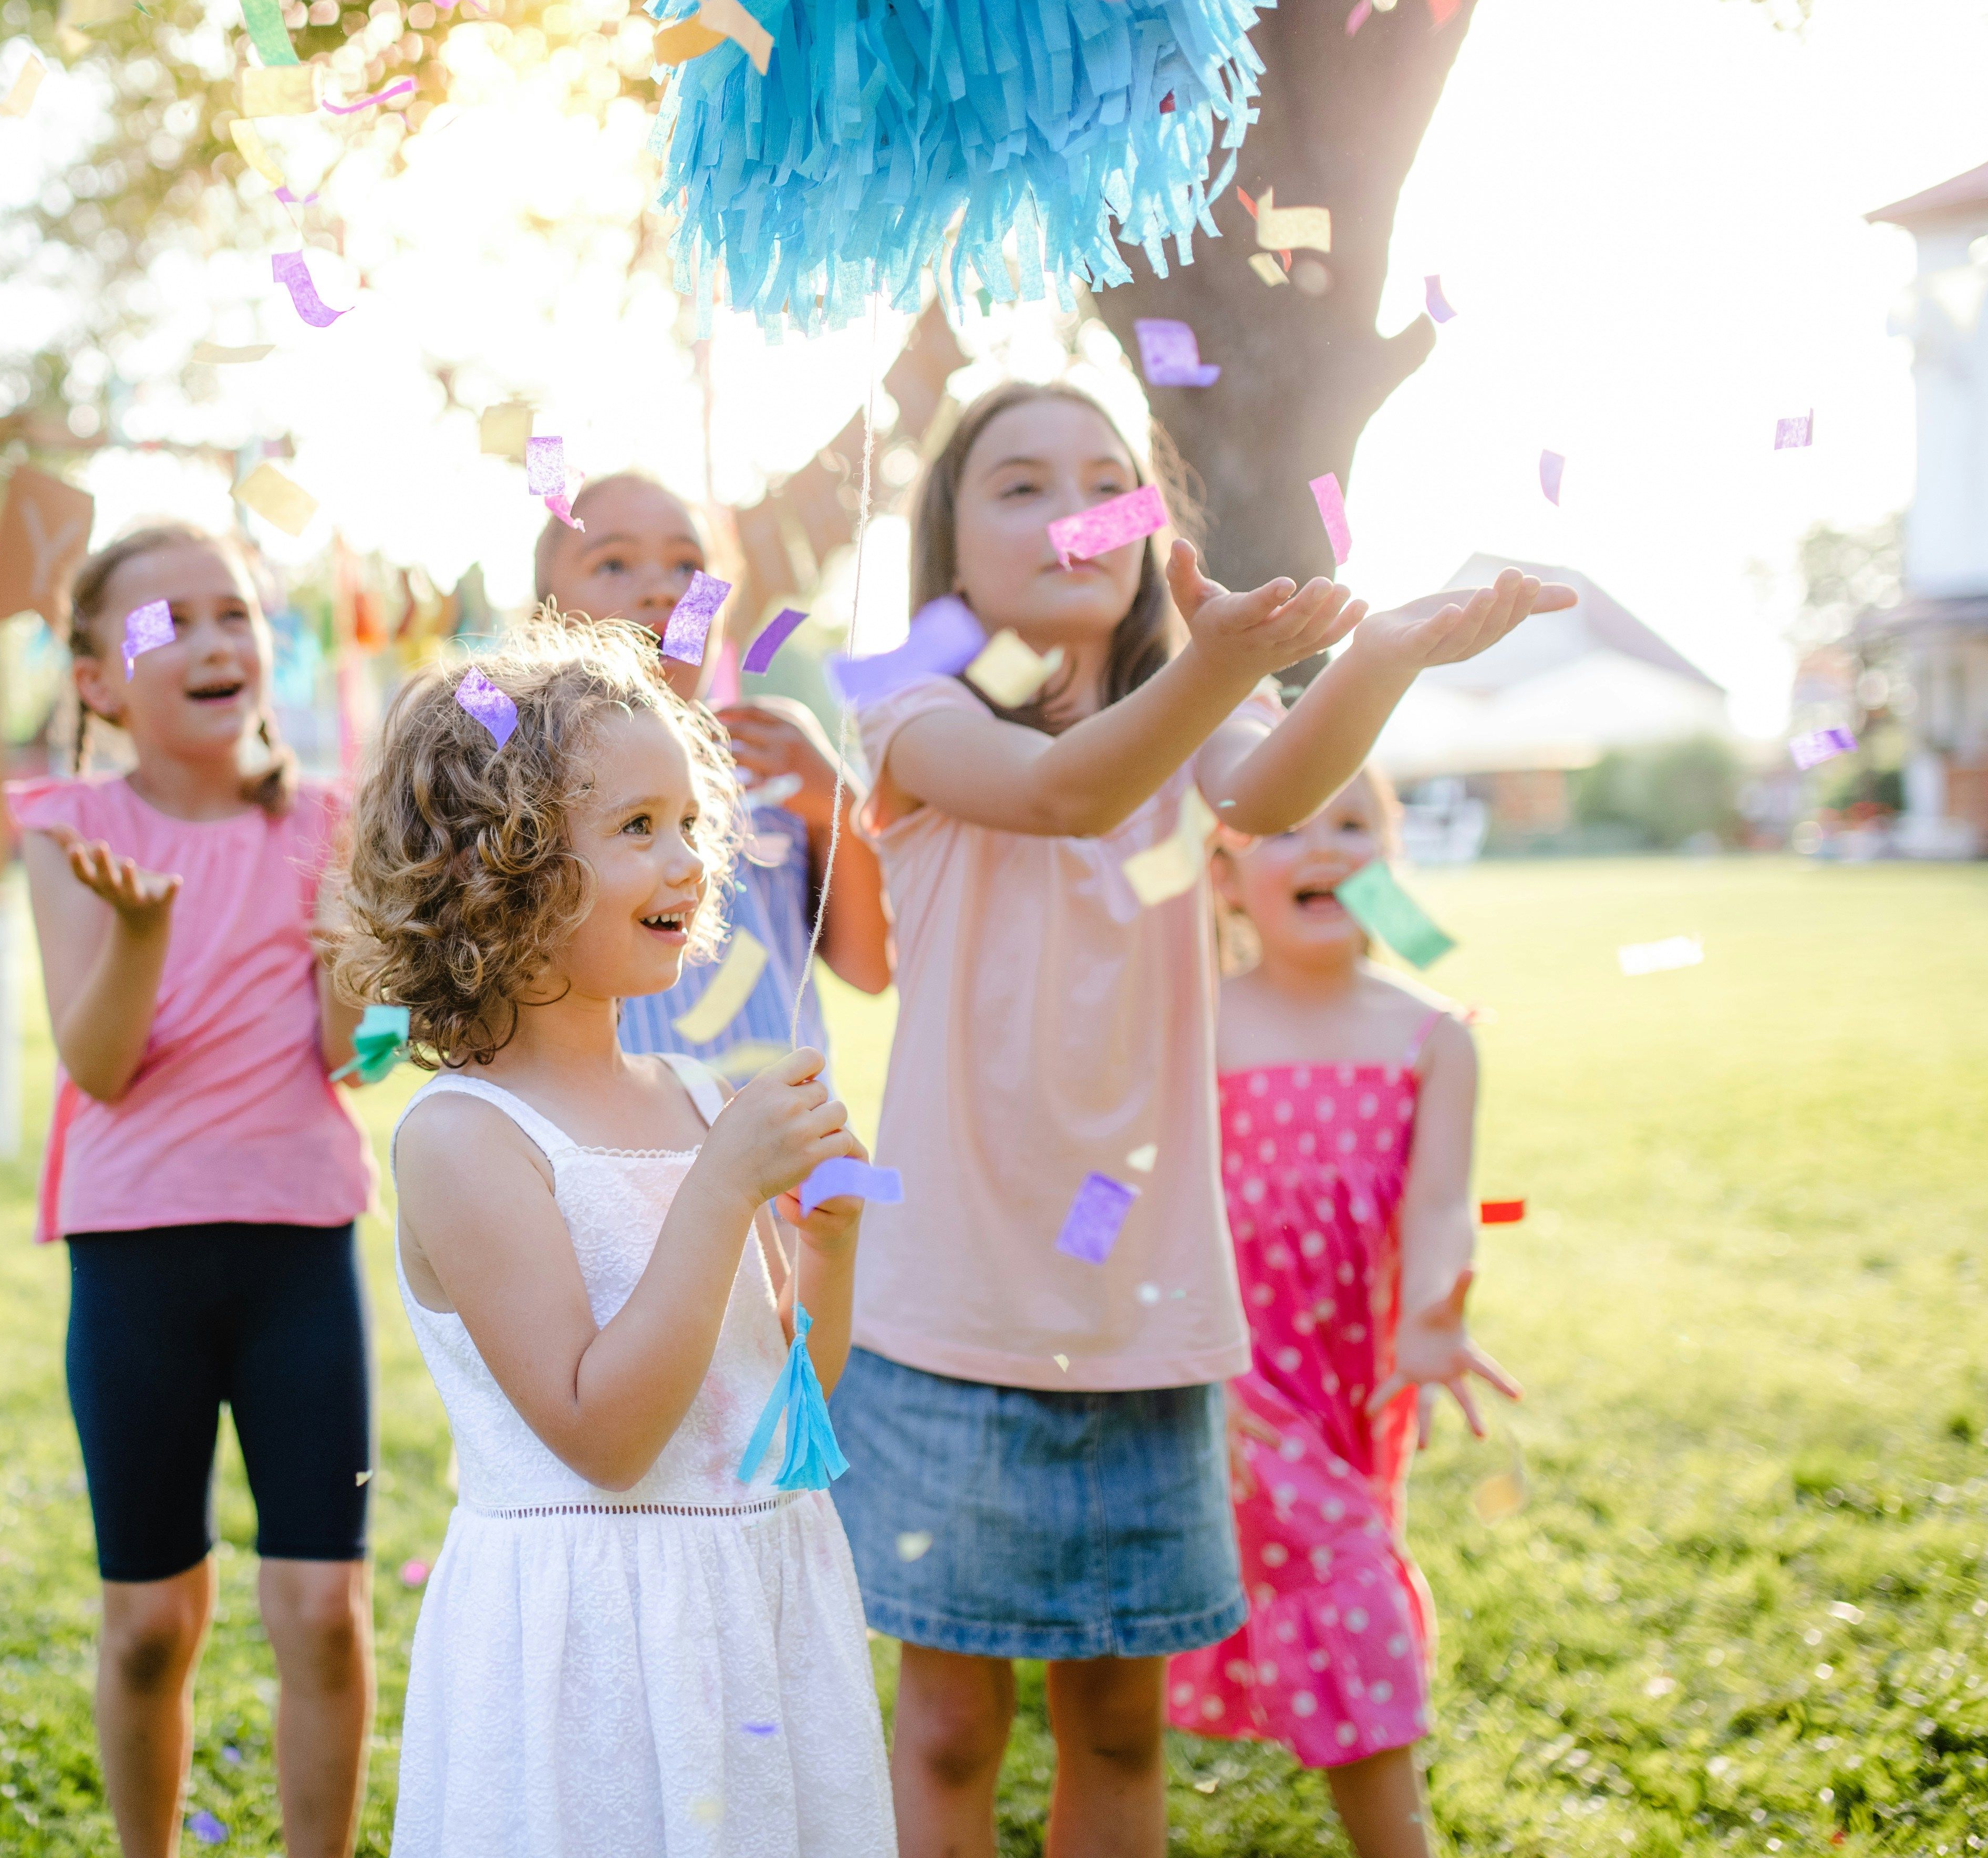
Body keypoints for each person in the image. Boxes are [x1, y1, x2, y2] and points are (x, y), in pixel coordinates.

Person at [821, 380, 1573, 1858]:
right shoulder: (906, 707)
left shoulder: (1192, 710)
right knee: (953, 1724)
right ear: (950, 546)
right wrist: (1218, 668)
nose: (1071, 511)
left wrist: (1393, 650)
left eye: (1109, 481)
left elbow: (1286, 780)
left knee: (1118, 1720)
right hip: (948, 1317)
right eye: (1019, 485)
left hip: (1147, 1318)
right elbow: (1059, 794)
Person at [336, 620, 897, 1856]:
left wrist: (832, 1249)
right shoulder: (464, 1139)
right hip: (593, 1644)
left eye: (691, 823)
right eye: (638, 828)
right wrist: (716, 1193)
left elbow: (776, 1409)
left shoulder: (699, 1094)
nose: (690, 861)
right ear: (503, 862)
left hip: (751, 1609)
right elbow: (603, 1433)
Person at [9, 524, 378, 1858]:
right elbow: (97, 1063)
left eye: (237, 614)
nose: (219, 639)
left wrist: (358, 951)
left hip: (299, 1246)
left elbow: (352, 1051)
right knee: (152, 1619)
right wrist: (146, 932)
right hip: (134, 1255)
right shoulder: (69, 829)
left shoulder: (329, 822)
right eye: (173, 623)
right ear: (100, 678)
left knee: (322, 1608)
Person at [1166, 767, 1520, 1857]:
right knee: (1349, 1587)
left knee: (1336, 1563)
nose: (1323, 846)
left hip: (1359, 1383)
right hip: (1237, 1381)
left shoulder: (1433, 1036)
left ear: (1391, 859)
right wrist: (1181, 1367)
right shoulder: (1198, 1026)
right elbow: (1145, 1201)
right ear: (1224, 877)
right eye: (1283, 828)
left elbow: (1446, 1199)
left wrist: (1432, 1314)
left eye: (1354, 824)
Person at [532, 473, 892, 1076]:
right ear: (544, 615)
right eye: (614, 564)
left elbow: (870, 969)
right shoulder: (519, 779)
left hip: (783, 1140)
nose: (662, 592)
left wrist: (835, 800)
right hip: (615, 1149)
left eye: (688, 567)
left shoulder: (771, 756)